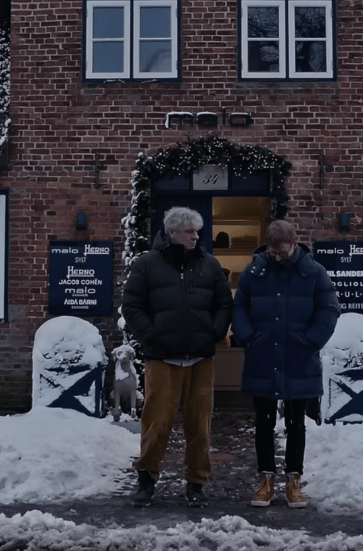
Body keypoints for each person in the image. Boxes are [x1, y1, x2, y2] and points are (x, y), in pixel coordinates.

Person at [121, 206, 234, 508]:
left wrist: (214, 330)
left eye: (197, 230)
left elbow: (224, 304)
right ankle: (146, 479)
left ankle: (196, 483)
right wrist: (151, 335)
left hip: (200, 358)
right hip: (161, 358)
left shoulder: (209, 265)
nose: (196, 236)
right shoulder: (147, 264)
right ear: (172, 233)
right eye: (189, 231)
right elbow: (131, 305)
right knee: (156, 423)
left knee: (199, 425)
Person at [231, 220, 340, 509]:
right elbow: (239, 306)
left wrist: (311, 341)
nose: (278, 256)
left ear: (294, 244)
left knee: (296, 423)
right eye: (274, 251)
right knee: (264, 422)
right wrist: (247, 337)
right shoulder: (255, 271)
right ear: (268, 245)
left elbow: (329, 309)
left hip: (298, 356)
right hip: (263, 354)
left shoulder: (314, 273)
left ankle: (294, 480)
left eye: (283, 250)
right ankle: (265, 479)